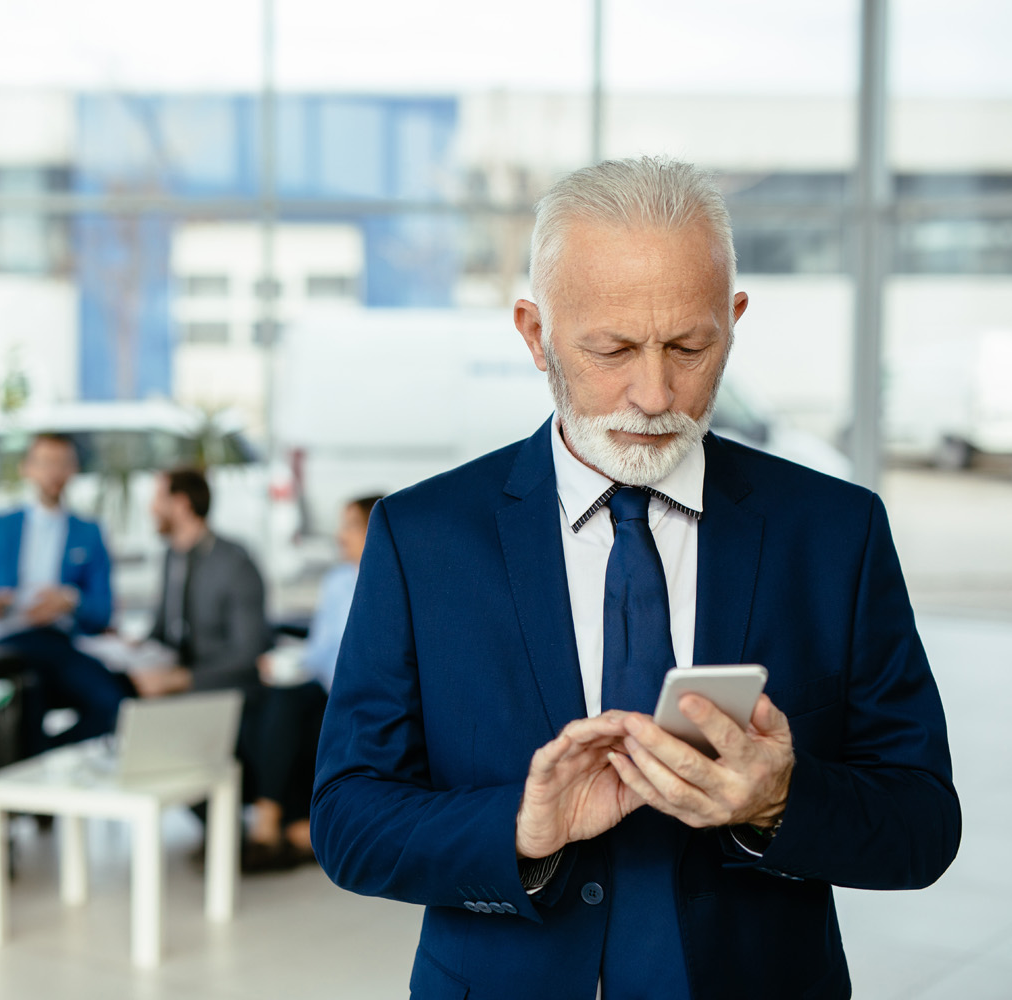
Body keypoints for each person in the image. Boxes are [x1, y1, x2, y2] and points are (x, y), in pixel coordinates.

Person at [310, 157, 960, 999]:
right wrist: (519, 827)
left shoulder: (835, 533)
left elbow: (923, 823)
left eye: (691, 346)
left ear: (733, 319)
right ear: (534, 332)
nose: (655, 395)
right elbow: (349, 819)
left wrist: (779, 800)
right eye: (612, 348)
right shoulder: (421, 537)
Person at [0, 433, 119, 755]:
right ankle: (36, 775)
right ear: (27, 468)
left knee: (112, 702)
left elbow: (104, 608)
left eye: (62, 463)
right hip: (8, 640)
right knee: (30, 693)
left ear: (74, 470)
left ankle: (44, 761)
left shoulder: (89, 532)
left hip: (59, 640)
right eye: (45, 463)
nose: (53, 472)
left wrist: (71, 600)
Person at [245, 494, 381, 870]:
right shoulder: (337, 580)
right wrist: (285, 663)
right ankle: (285, 824)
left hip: (358, 697)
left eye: (349, 525)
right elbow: (320, 649)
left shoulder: (389, 580)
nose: (340, 535)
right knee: (268, 701)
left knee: (287, 706)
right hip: (322, 687)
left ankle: (270, 824)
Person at [139, 467, 270, 698]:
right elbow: (162, 630)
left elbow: (248, 653)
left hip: (223, 691)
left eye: (159, 499)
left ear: (181, 504)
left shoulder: (235, 564)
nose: (152, 508)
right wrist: (131, 647)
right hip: (177, 682)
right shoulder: (171, 557)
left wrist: (183, 679)